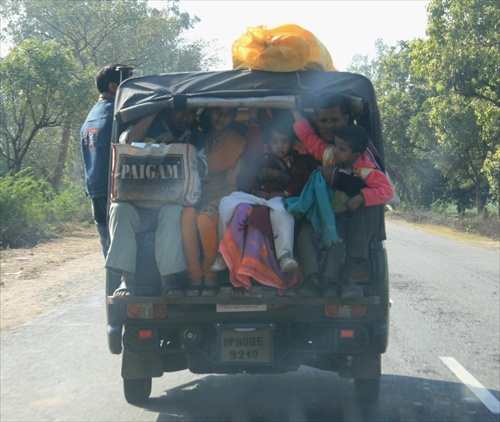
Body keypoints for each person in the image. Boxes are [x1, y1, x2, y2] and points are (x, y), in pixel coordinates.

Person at [214, 116, 319, 295]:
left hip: (281, 198)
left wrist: (284, 193)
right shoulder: (260, 158)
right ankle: (223, 253)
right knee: (226, 202)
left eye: (284, 141)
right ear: (268, 142)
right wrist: (255, 192)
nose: (279, 146)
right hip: (256, 197)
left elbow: (302, 183)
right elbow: (245, 180)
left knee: (281, 210)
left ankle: (284, 255)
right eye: (275, 141)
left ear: (291, 142)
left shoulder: (298, 161)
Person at [289, 122, 393, 299]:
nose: (336, 151)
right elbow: (310, 140)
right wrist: (297, 117)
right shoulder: (330, 154)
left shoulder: (366, 169)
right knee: (304, 234)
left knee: (336, 240)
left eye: (342, 149)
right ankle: (311, 280)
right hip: (321, 214)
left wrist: (361, 197)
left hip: (342, 217)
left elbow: (387, 191)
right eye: (336, 145)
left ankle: (329, 282)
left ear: (356, 155)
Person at [106, 108, 202, 298]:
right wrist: (154, 111)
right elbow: (127, 141)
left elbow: (202, 166)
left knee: (174, 211)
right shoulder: (148, 126)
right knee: (119, 209)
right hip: (138, 207)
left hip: (168, 204)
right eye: (180, 112)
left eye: (190, 113)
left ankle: (168, 280)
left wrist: (176, 145)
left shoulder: (195, 136)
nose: (185, 117)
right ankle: (127, 279)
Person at [180, 107, 248, 297]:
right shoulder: (198, 138)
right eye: (218, 112)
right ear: (209, 114)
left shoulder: (238, 143)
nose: (222, 116)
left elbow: (232, 185)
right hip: (194, 195)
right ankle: (195, 276)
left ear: (233, 117)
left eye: (227, 114)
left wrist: (215, 203)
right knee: (186, 216)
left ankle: (210, 276)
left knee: (204, 219)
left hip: (222, 199)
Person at [80, 64, 133, 257]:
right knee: (123, 250)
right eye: (127, 82)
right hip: (116, 191)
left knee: (109, 249)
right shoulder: (118, 114)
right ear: (113, 87)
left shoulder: (91, 116)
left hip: (95, 191)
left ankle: (113, 285)